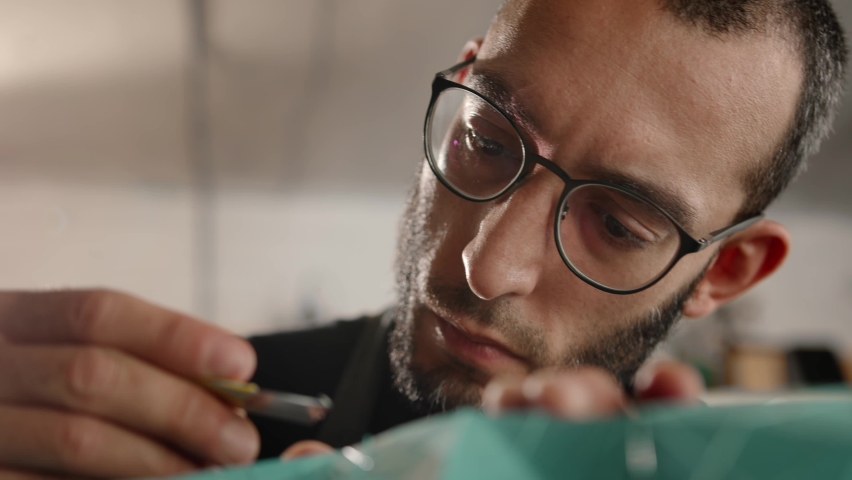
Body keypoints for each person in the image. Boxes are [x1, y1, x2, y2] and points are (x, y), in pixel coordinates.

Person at [0, 0, 846, 477]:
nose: (485, 265)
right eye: (485, 139)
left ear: (725, 271)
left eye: (619, 224)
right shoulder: (172, 432)